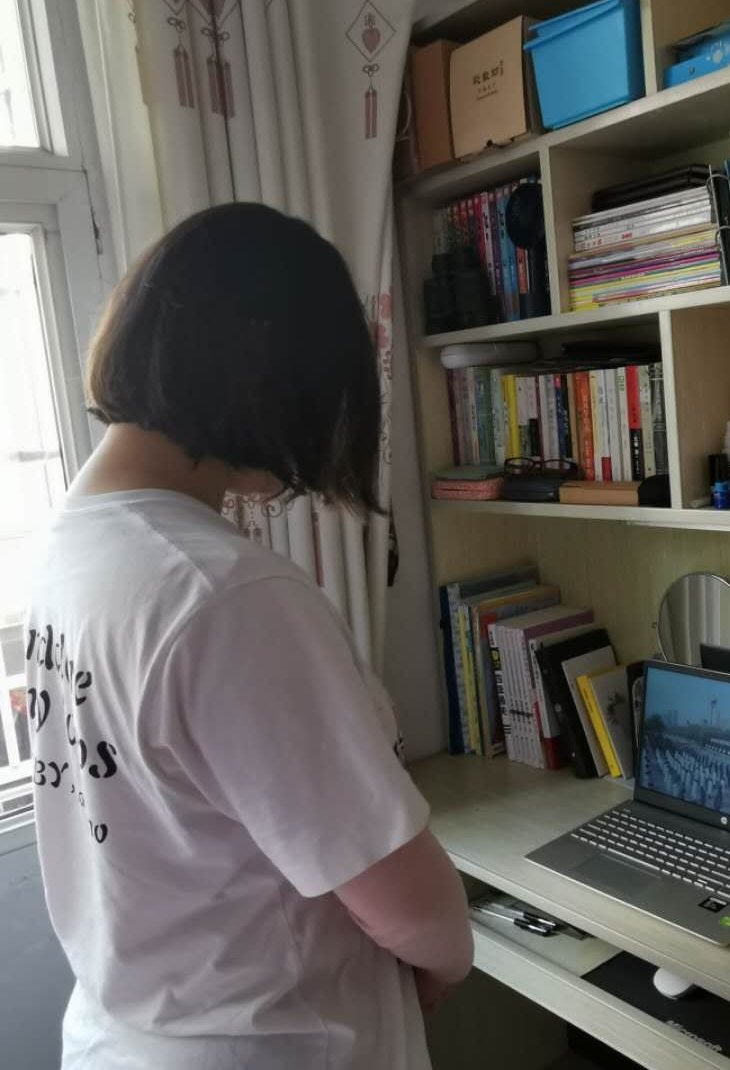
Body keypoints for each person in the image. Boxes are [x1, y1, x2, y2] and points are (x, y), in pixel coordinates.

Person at [25, 203, 472, 1069]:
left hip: (122, 1036)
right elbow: (403, 896)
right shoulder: (224, 593)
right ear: (270, 376)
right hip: (272, 1040)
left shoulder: (68, 549)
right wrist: (447, 959)